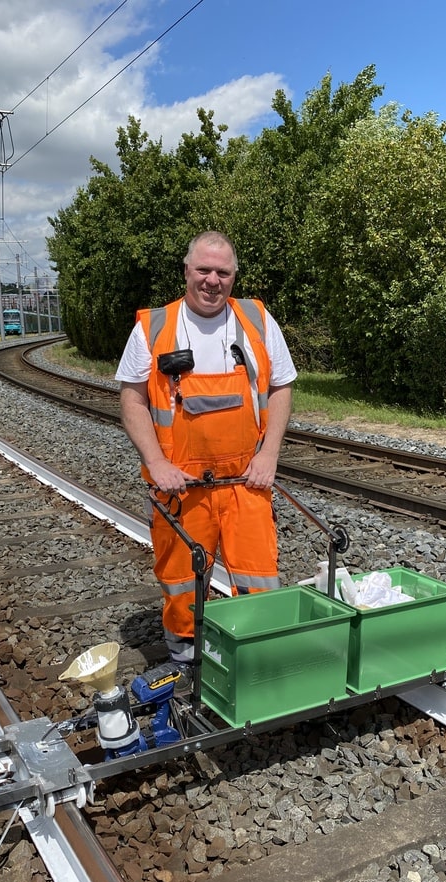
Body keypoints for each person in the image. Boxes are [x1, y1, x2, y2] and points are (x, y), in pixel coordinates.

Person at [115, 230, 297, 666]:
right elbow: (132, 398)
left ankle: (261, 657)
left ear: (234, 276)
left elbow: (282, 386)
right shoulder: (154, 328)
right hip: (181, 486)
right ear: (186, 270)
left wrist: (269, 454)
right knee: (181, 580)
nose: (212, 280)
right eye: (203, 270)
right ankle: (185, 656)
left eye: (222, 272)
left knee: (259, 574)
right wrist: (155, 462)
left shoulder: (256, 319)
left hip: (246, 482)